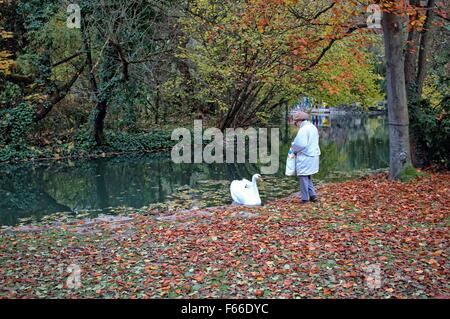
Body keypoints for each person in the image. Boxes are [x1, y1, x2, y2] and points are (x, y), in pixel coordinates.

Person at [291, 110, 321, 203]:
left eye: (295, 122)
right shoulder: (313, 127)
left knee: (303, 177)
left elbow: (301, 144)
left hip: (306, 156)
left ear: (299, 121)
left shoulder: (303, 129)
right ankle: (313, 196)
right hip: (314, 155)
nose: (296, 124)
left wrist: (293, 148)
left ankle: (305, 199)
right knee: (308, 177)